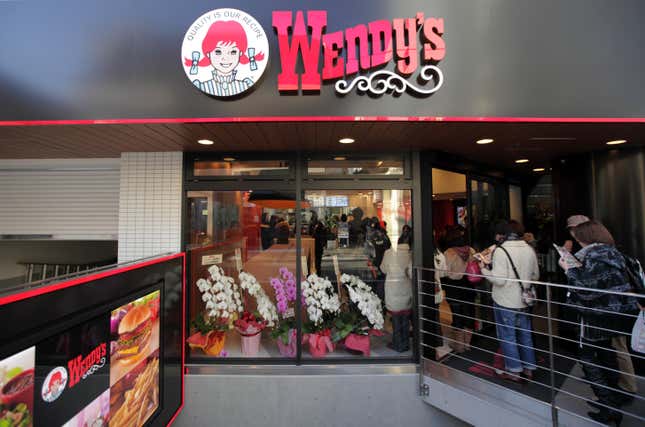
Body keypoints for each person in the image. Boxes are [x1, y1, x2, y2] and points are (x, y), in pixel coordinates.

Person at [561, 220, 640, 424]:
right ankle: (611, 401)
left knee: (587, 357)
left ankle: (608, 407)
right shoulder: (614, 252)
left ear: (585, 237)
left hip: (595, 316)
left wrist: (568, 268)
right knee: (607, 355)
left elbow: (586, 290)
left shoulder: (594, 256)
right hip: (615, 315)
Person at [481, 220, 540, 382]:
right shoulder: (529, 249)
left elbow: (499, 280)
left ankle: (514, 371)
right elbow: (535, 275)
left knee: (508, 336)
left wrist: (483, 269)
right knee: (525, 335)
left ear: (503, 234)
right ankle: (529, 368)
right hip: (524, 301)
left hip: (506, 300)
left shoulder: (502, 251)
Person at [185, 20, 265, 96]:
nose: (225, 58)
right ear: (208, 53)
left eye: (233, 52)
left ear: (240, 53)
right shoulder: (201, 85)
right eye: (218, 52)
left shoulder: (246, 84)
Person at [440, 229, 477, 353]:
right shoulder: (471, 250)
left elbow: (444, 271)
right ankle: (467, 344)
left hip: (454, 287)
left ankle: (459, 346)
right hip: (469, 285)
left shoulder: (449, 253)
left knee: (457, 315)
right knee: (469, 314)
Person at [381, 230, 413, 352]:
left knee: (396, 318)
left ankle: (397, 343)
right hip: (407, 289)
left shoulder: (389, 253)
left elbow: (383, 269)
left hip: (393, 289)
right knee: (405, 317)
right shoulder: (412, 254)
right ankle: (405, 343)